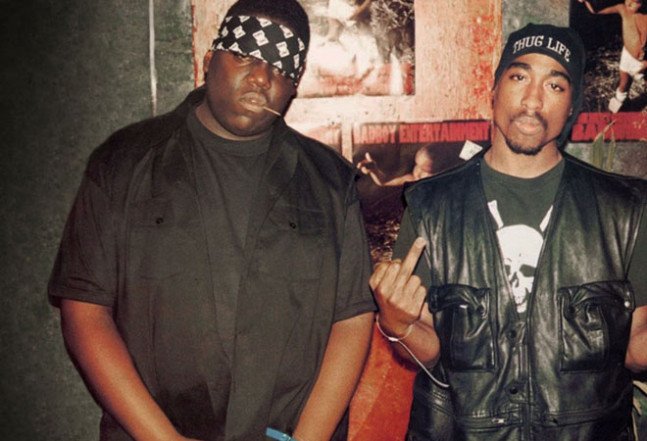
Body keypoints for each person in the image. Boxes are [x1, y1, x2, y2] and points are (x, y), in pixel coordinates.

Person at [47, 1, 375, 440]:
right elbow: (85, 310)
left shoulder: (330, 181)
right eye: (244, 56)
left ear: (294, 87)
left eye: (280, 67)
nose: (261, 77)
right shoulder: (123, 162)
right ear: (208, 61)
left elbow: (352, 317)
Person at [370, 23, 647, 440]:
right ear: (494, 91)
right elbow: (431, 354)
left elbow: (636, 350)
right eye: (519, 77)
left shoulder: (625, 210)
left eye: (555, 86)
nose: (533, 100)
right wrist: (398, 325)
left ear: (572, 107)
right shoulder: (432, 206)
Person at [579, 0, 647, 113]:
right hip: (627, 57)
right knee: (623, 85)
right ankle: (616, 108)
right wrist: (586, 1)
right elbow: (596, 11)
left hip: (643, 61)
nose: (629, 3)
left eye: (636, 1)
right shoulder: (623, 9)